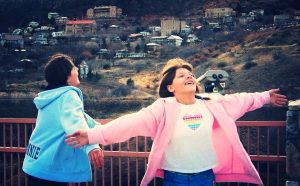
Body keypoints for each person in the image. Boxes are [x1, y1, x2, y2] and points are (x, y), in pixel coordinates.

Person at [66, 58, 287, 186]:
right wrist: (93, 135)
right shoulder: (163, 108)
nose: (189, 77)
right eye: (182, 76)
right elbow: (130, 123)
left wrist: (267, 97)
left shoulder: (213, 103)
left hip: (205, 177)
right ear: (170, 87)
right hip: (175, 179)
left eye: (190, 74)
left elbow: (243, 99)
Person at [22, 53, 104, 186]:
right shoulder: (68, 95)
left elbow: (80, 117)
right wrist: (91, 146)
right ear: (66, 76)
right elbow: (76, 122)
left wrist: (100, 129)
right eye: (73, 68)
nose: (77, 70)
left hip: (34, 163)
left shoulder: (50, 97)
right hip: (49, 170)